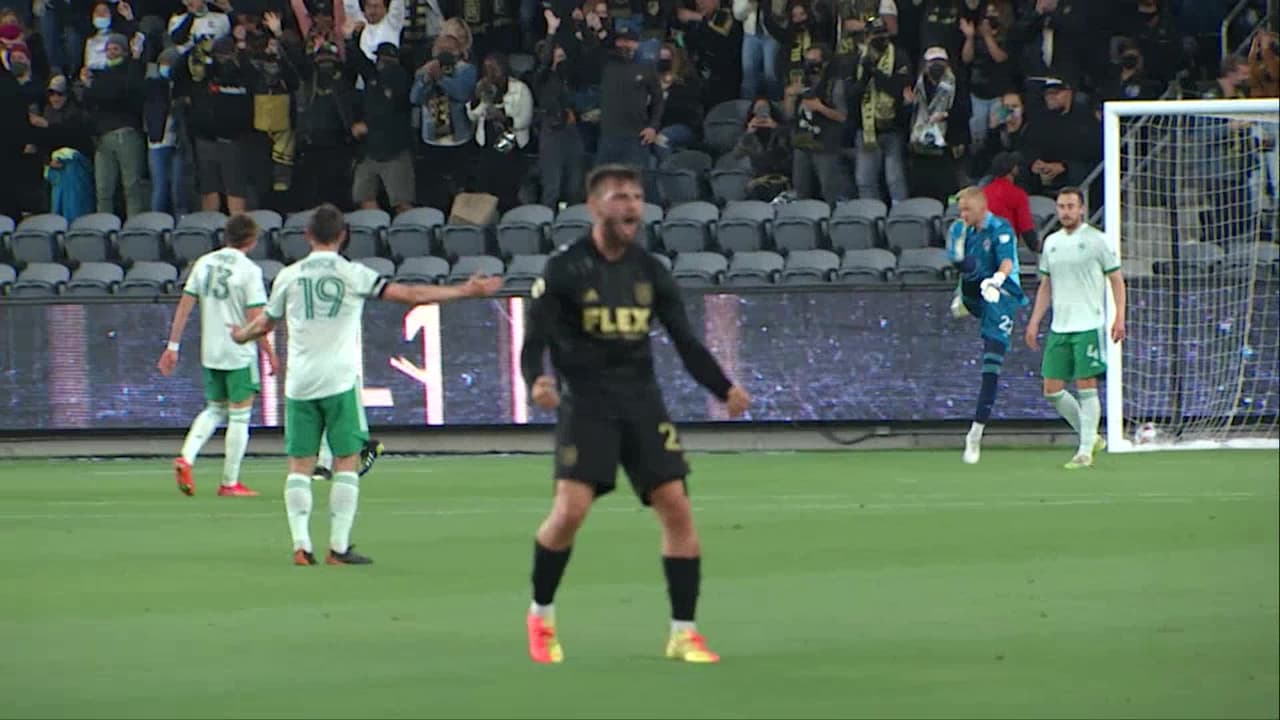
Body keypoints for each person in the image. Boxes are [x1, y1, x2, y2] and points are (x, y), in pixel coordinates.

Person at [518, 164, 751, 664]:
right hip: (587, 404)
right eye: (620, 197)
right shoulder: (564, 270)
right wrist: (536, 380)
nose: (632, 206)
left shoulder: (650, 271)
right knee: (570, 512)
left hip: (642, 403)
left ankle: (683, 633)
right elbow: (533, 340)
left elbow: (686, 341)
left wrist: (724, 387)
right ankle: (541, 616)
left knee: (677, 508)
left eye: (637, 197)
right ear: (594, 206)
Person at [229, 204, 502, 566]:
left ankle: (301, 545)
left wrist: (240, 336)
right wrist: (465, 290)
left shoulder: (288, 276)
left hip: (299, 383)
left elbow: (265, 323)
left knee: (300, 464)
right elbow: (411, 295)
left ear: (307, 236)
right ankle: (338, 547)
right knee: (347, 459)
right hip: (339, 380)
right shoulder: (352, 273)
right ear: (343, 236)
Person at [158, 215, 279, 498]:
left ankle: (186, 456)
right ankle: (229, 482)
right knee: (240, 416)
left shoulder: (204, 263)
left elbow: (185, 306)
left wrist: (173, 346)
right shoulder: (248, 270)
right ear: (252, 240)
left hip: (211, 350)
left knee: (214, 409)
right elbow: (256, 318)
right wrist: (270, 353)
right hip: (238, 351)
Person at [1024, 187, 1125, 469]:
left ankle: (1084, 451)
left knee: (1086, 385)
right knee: (1051, 389)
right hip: (1060, 326)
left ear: (1082, 209)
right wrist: (1035, 320)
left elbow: (1116, 279)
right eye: (1061, 207)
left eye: (1071, 206)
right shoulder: (1052, 243)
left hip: (1089, 324)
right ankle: (1090, 436)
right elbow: (1047, 285)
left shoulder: (1097, 241)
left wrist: (1120, 316)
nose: (1066, 212)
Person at [946, 186, 1027, 465]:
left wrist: (998, 280)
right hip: (976, 290)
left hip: (1001, 296)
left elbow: (1006, 262)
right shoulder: (965, 230)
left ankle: (975, 433)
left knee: (991, 366)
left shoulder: (1000, 228)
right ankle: (964, 294)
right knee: (966, 264)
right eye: (961, 210)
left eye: (967, 209)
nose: (963, 215)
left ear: (982, 207)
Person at [982, 151, 1037, 250]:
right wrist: (1037, 248)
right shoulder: (1018, 194)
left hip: (983, 245)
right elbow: (1026, 228)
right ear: (1014, 169)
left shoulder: (983, 192)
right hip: (1006, 247)